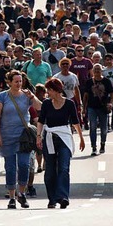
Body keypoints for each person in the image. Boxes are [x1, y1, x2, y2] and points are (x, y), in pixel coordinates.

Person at [0, 70, 42, 210]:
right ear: (9, 82)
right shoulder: (2, 97)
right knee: (10, 167)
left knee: (24, 165)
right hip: (7, 136)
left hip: (23, 137)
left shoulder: (26, 95)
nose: (19, 84)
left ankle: (22, 193)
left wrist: (32, 97)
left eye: (20, 81)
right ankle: (12, 196)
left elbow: (39, 108)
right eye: (16, 81)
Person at [37, 78, 84, 209]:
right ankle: (52, 199)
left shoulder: (69, 104)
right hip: (50, 137)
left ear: (56, 90)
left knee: (63, 167)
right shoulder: (46, 103)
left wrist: (81, 138)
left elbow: (75, 121)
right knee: (50, 170)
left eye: (49, 90)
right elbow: (41, 121)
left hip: (64, 137)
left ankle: (63, 197)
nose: (48, 93)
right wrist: (39, 136)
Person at [82, 64, 113, 155]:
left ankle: (103, 144)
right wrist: (84, 108)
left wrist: (111, 103)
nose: (96, 71)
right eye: (95, 69)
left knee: (104, 128)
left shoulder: (106, 81)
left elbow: (112, 94)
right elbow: (86, 96)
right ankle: (94, 147)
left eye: (98, 69)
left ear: (101, 70)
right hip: (92, 107)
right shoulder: (89, 82)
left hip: (103, 108)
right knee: (93, 127)